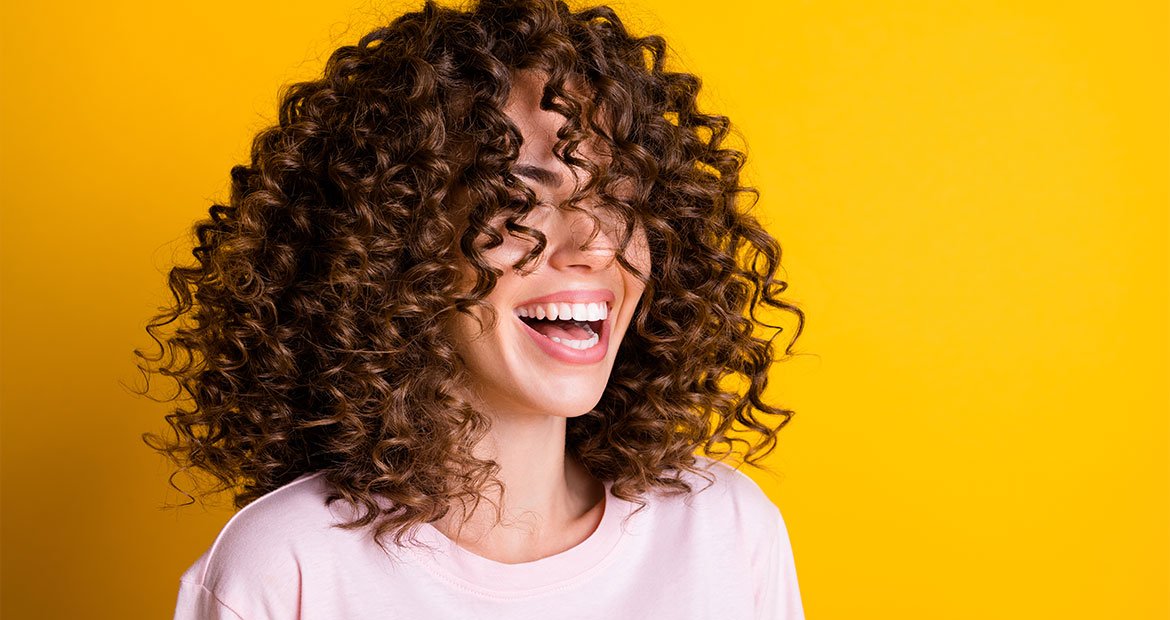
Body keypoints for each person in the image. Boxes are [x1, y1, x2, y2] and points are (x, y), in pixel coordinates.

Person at [137, 0, 807, 617]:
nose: (596, 242)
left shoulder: (726, 533)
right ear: (400, 236)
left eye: (618, 197)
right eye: (522, 197)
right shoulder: (286, 569)